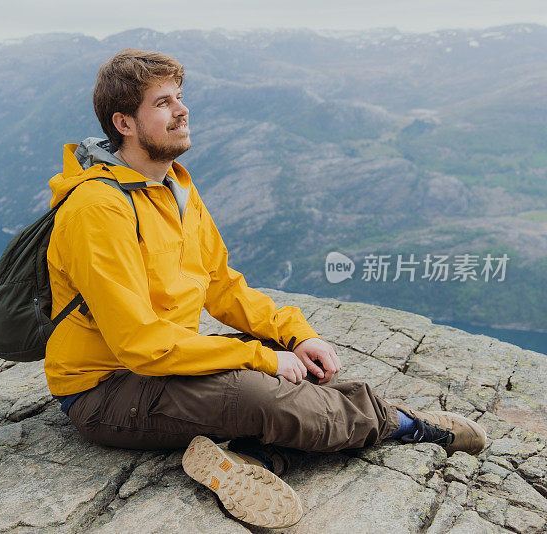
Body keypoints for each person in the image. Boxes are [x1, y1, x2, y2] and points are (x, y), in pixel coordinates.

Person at [44, 48, 486, 529]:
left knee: (303, 372)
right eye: (163, 102)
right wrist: (260, 358)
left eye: (180, 96)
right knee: (269, 395)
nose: (182, 110)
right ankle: (406, 425)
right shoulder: (98, 211)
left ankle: (249, 458)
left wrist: (294, 336)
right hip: (107, 391)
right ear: (124, 123)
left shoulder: (172, 189)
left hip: (164, 366)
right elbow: (138, 343)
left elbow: (222, 286)